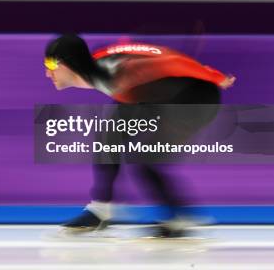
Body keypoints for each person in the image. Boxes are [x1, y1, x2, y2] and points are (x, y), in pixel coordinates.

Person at [44, 34, 235, 237]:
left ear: (68, 63)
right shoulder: (101, 63)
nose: (48, 72)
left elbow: (169, 61)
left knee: (144, 158)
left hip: (195, 99)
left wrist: (212, 76)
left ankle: (180, 217)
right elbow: (148, 51)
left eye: (50, 63)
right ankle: (101, 210)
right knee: (109, 138)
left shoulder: (116, 72)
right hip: (153, 97)